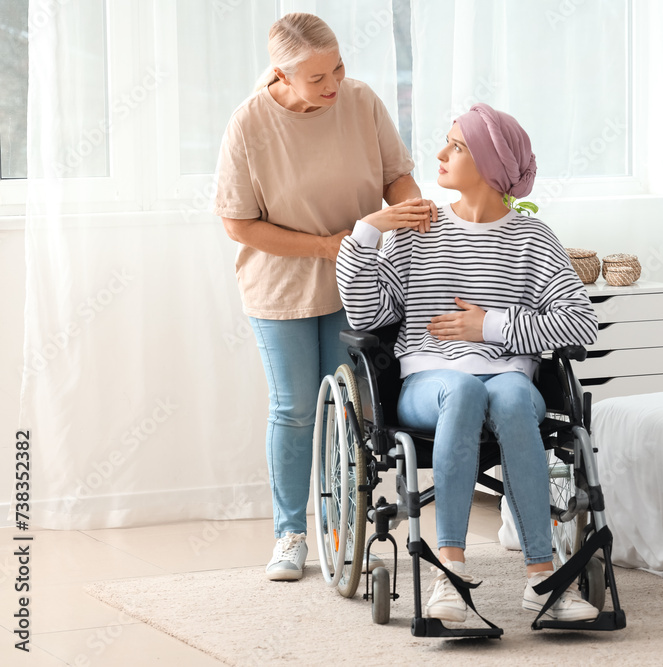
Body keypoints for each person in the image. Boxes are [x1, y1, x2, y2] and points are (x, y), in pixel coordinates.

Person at [336, 103, 600, 622]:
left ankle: (542, 577)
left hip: (506, 380)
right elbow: (369, 310)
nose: (440, 153)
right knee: (465, 389)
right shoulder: (419, 232)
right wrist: (367, 231)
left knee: (507, 392)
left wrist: (491, 327)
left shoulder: (532, 239)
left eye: (455, 145)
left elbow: (580, 323)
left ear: (487, 161)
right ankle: (449, 575)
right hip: (430, 384)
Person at [213, 12, 435, 581]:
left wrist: (407, 209)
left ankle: (340, 523)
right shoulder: (249, 125)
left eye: (338, 66)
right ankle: (290, 534)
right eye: (318, 78)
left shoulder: (360, 102)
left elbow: (397, 176)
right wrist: (326, 246)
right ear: (283, 76)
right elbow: (239, 224)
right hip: (281, 286)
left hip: (356, 281)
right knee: (293, 409)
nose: (334, 84)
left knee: (348, 413)